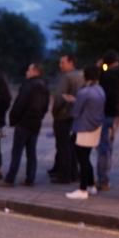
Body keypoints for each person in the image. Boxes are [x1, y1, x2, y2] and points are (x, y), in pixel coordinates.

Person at [0, 63, 49, 187]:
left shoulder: (28, 85)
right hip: (35, 123)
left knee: (17, 152)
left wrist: (14, 119)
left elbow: (20, 104)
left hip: (24, 123)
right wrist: (40, 117)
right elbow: (45, 106)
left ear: (35, 71)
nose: (27, 72)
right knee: (31, 152)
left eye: (29, 70)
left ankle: (10, 178)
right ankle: (30, 178)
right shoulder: (44, 87)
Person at [65, 65, 106, 199]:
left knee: (82, 159)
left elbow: (76, 112)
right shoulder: (100, 90)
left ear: (85, 77)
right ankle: (91, 185)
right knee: (86, 157)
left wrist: (72, 102)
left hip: (83, 128)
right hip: (96, 127)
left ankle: (83, 189)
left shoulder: (84, 92)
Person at [96, 51, 119, 192]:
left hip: (107, 112)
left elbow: (101, 91)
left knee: (103, 147)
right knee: (108, 144)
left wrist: (99, 68)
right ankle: (104, 176)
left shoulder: (108, 75)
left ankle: (103, 180)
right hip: (118, 113)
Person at [50, 54, 83, 184]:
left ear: (71, 63)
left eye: (62, 62)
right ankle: (74, 173)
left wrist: (54, 112)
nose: (60, 65)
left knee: (63, 146)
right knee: (72, 146)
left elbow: (59, 98)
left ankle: (65, 175)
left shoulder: (67, 77)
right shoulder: (81, 76)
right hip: (76, 116)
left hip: (63, 116)